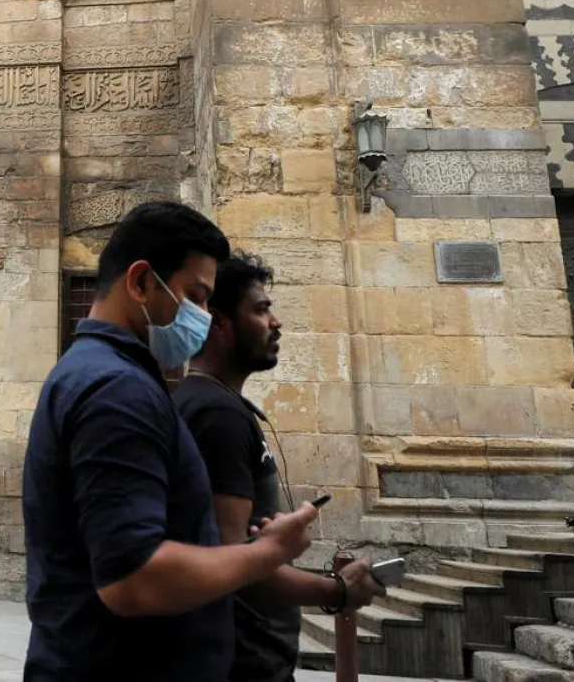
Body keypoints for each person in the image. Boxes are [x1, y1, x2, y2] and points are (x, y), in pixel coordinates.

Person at [21, 203, 322, 682]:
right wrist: (269, 552)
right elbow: (133, 580)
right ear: (141, 283)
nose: (204, 317)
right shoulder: (115, 390)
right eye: (196, 297)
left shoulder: (111, 375)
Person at [174, 254, 385, 682]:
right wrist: (336, 590)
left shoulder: (211, 404)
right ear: (218, 323)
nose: (276, 322)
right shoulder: (217, 416)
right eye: (260, 309)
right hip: (242, 661)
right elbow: (230, 564)